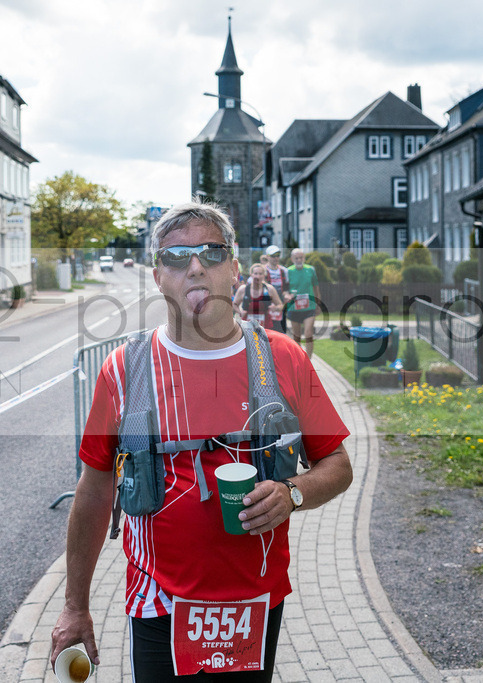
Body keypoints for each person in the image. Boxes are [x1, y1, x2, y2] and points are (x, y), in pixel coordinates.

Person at [50, 201, 352, 682]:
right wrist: (74, 607)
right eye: (176, 256)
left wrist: (293, 494)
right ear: (157, 276)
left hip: (255, 597)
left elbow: (337, 463)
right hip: (158, 599)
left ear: (234, 269)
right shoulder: (126, 371)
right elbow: (93, 490)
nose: (195, 266)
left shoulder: (283, 359)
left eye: (212, 252)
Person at [285, 248, 321, 358]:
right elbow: (285, 289)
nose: (299, 260)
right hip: (294, 308)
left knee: (308, 333)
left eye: (301, 257)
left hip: (309, 307)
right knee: (296, 336)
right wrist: (287, 296)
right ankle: (299, 359)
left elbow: (316, 288)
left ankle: (308, 360)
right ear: (292, 259)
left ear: (304, 258)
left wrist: (318, 304)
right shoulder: (288, 271)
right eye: (296, 258)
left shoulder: (310, 270)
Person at [232, 262, 284, 331]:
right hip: (247, 325)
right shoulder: (244, 289)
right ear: (251, 274)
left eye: (260, 274)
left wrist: (276, 308)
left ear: (264, 275)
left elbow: (280, 305)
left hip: (265, 325)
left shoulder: (269, 289)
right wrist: (240, 312)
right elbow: (234, 304)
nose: (258, 276)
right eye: (255, 273)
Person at [263, 246, 290, 334]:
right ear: (267, 256)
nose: (276, 258)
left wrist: (286, 295)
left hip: (280, 303)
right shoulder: (263, 270)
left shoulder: (284, 270)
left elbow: (286, 288)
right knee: (267, 331)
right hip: (266, 304)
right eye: (273, 256)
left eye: (278, 255)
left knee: (281, 330)